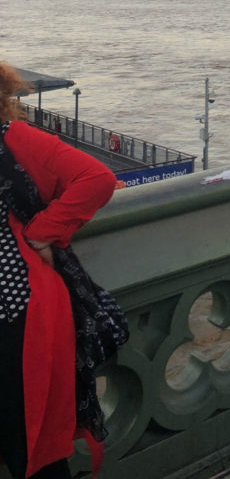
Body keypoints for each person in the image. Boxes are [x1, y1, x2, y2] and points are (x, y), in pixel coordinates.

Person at [0, 62, 118, 479]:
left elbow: (97, 178)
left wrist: (43, 232)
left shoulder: (13, 139)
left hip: (17, 315)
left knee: (33, 451)